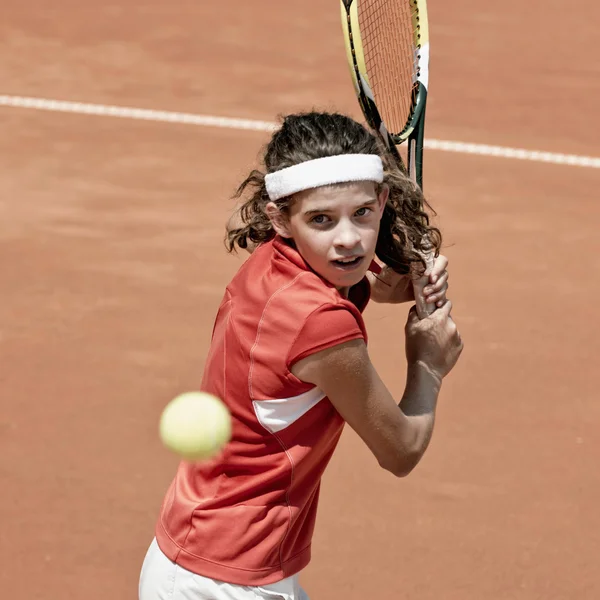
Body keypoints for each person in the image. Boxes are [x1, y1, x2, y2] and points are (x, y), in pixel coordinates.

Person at [139, 111, 463, 600]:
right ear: (279, 218)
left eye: (362, 213)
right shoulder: (320, 323)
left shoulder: (274, 264)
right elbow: (401, 449)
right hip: (226, 582)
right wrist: (428, 364)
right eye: (321, 220)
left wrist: (394, 285)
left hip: (201, 555)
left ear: (383, 201)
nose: (349, 239)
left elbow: (333, 294)